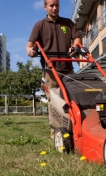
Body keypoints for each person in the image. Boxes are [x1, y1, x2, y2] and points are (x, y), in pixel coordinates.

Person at [26, 0, 81, 138]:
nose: (54, 8)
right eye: (51, 6)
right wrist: (30, 50)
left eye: (57, 5)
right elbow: (30, 44)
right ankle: (56, 134)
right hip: (50, 70)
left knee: (73, 99)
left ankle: (75, 129)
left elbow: (77, 38)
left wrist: (75, 46)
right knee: (55, 101)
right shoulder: (40, 25)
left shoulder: (68, 23)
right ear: (45, 7)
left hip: (67, 68)